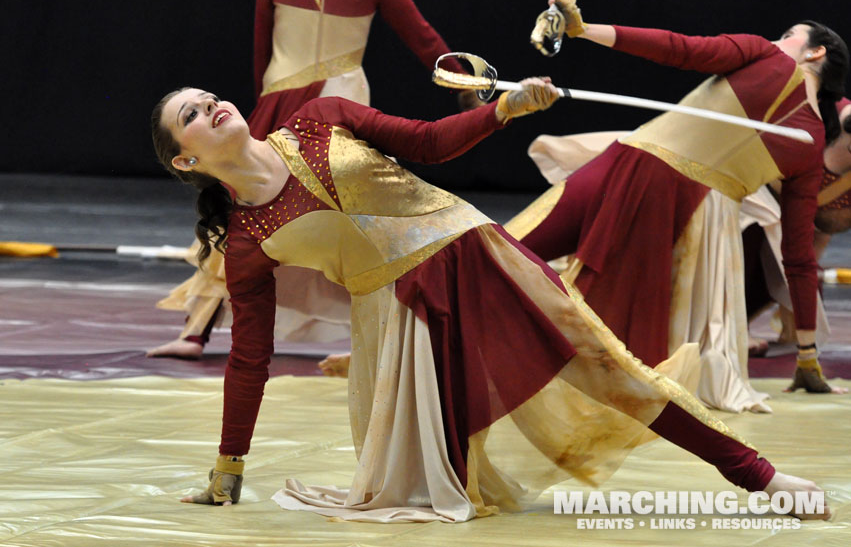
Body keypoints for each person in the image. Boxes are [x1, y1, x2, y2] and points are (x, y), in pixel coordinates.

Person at [152, 86, 827, 522]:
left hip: (477, 253)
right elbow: (250, 359)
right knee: (447, 468)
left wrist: (501, 111)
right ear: (186, 161)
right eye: (192, 115)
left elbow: (425, 141)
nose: (211, 106)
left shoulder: (318, 119)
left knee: (603, 367)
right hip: (403, 321)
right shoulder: (244, 244)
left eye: (209, 98)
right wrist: (227, 467)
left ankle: (758, 477)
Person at [507, 0, 849, 413]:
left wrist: (582, 30)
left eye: (789, 35)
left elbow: (678, 49)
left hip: (639, 166)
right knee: (619, 340)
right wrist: (806, 356)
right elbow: (798, 256)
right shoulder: (813, 141)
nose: (780, 39)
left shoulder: (766, 55)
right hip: (699, 230)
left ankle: (463, 342)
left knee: (506, 251)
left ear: (815, 53)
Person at [148, 0, 477, 360]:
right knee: (360, 220)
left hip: (285, 98)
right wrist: (463, 85)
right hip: (336, 97)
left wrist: (257, 113)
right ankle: (386, 331)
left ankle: (195, 332)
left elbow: (262, 47)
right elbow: (421, 35)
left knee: (249, 211)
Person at [745, 98, 851, 349]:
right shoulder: (817, 116)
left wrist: (798, 288)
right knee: (754, 225)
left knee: (797, 268)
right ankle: (731, 328)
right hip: (748, 192)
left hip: (792, 218)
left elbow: (824, 228)